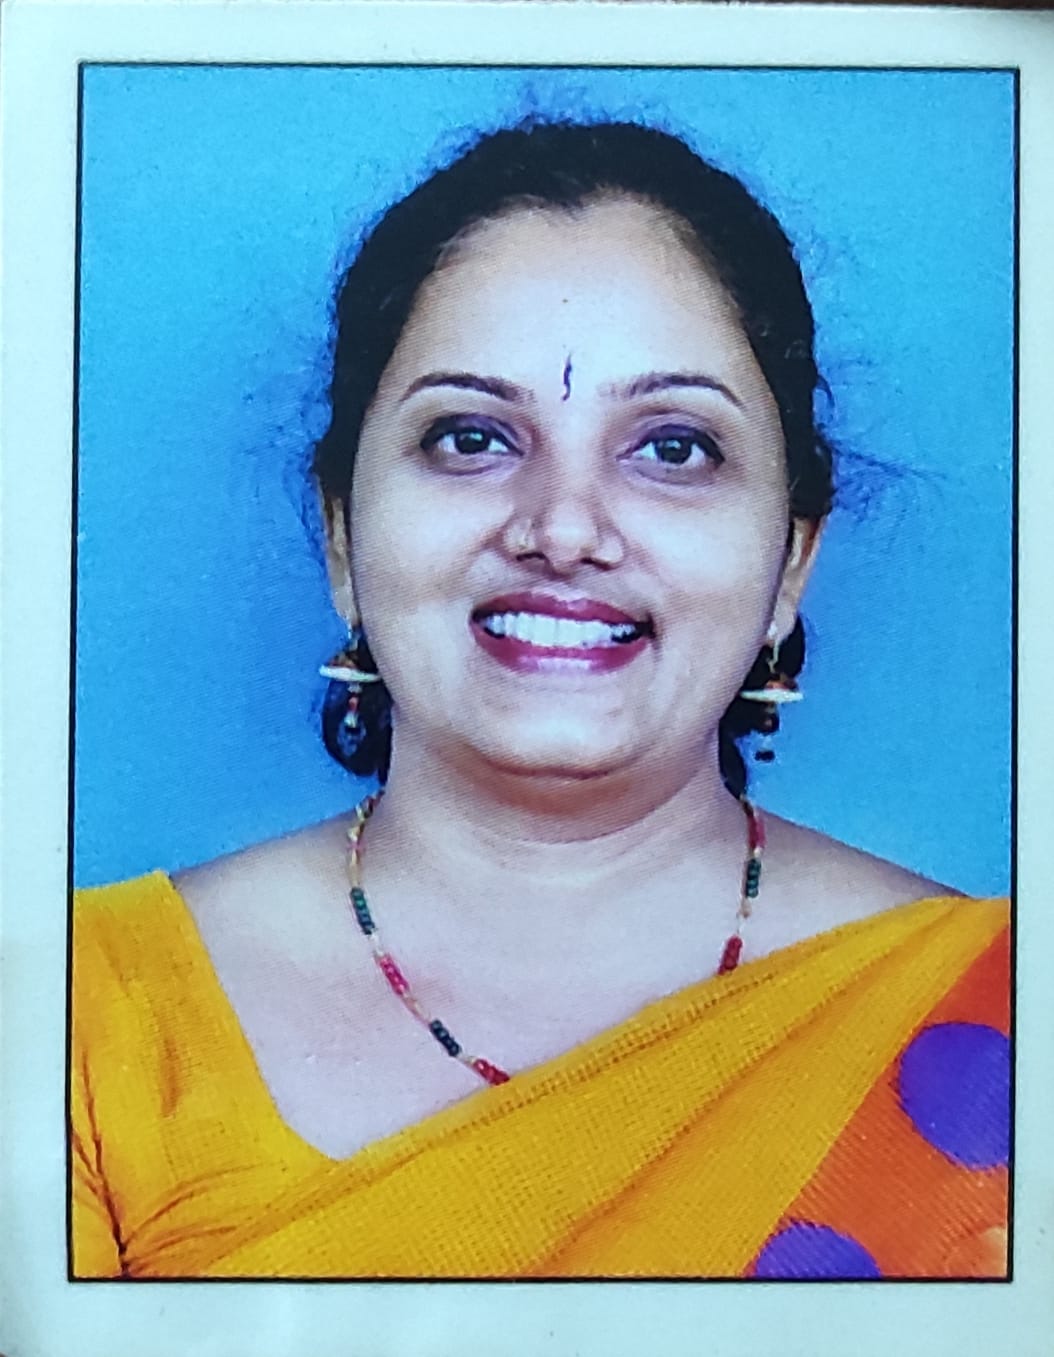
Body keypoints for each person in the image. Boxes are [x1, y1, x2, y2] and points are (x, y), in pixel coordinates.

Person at [71, 118, 1010, 1280]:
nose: (562, 528)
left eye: (672, 448)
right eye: (471, 437)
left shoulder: (999, 1013)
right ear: (340, 535)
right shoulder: (81, 1021)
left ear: (791, 563)